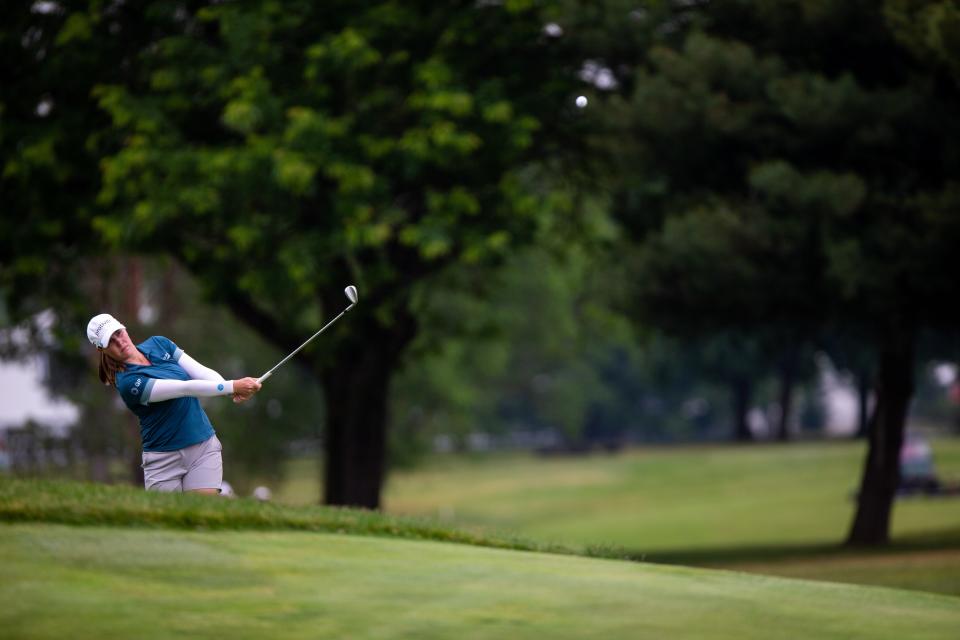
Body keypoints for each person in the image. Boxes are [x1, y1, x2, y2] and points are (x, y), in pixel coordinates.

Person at [87, 312, 261, 494]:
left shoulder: (159, 344)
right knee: (169, 522)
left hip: (202, 446)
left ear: (124, 328)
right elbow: (183, 388)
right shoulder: (128, 383)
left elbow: (201, 372)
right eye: (111, 341)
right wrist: (232, 386)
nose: (120, 342)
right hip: (163, 460)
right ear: (102, 349)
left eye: (119, 333)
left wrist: (229, 390)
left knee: (203, 515)